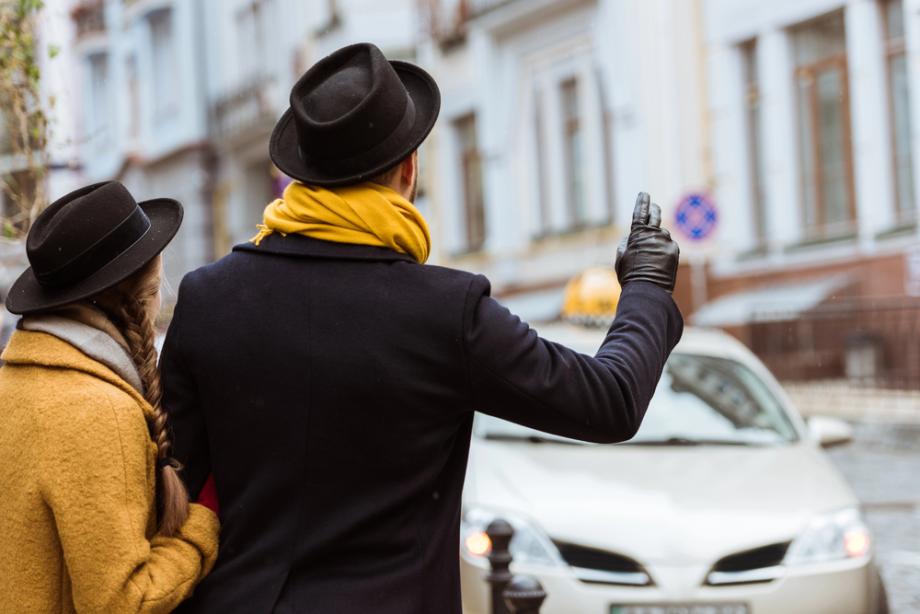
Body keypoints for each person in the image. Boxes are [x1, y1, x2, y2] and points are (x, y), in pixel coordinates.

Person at [161, 43, 682, 613]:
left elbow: (173, 484)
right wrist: (648, 288)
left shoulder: (209, 297)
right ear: (409, 170)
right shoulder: (444, 311)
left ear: (299, 178)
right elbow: (607, 401)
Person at [0, 182, 220, 613]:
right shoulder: (98, 412)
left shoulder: (14, 383)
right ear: (140, 299)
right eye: (158, 287)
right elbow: (124, 600)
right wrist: (203, 527)